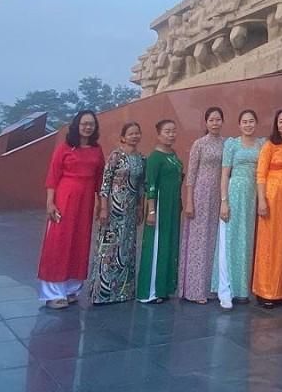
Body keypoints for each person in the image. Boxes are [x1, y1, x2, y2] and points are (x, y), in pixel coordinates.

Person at [37, 111, 105, 308]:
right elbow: (53, 176)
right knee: (59, 242)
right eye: (84, 123)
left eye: (91, 124)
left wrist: (102, 203)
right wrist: (50, 203)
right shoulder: (64, 148)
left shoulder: (96, 149)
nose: (87, 127)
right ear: (76, 125)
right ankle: (52, 293)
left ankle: (71, 289)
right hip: (65, 198)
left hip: (86, 201)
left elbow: (100, 178)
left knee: (80, 242)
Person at [90, 121, 145, 305]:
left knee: (127, 249)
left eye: (137, 133)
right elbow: (105, 183)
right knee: (108, 248)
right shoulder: (116, 156)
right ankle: (102, 293)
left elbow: (141, 187)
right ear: (123, 137)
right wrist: (103, 207)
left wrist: (140, 207)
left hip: (130, 211)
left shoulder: (141, 159)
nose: (134, 136)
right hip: (114, 211)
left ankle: (123, 292)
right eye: (131, 133)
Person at [177, 107, 226, 304]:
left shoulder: (226, 144)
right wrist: (189, 201)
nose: (215, 123)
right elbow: (191, 174)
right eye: (211, 120)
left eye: (218, 119)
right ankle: (194, 290)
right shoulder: (199, 144)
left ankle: (210, 288)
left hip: (218, 196)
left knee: (213, 241)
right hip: (200, 195)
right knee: (198, 241)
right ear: (206, 122)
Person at [253, 108, 282, 306]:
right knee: (271, 243)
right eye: (281, 121)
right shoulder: (269, 145)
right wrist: (262, 200)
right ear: (276, 124)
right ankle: (267, 291)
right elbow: (260, 174)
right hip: (273, 199)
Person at [216, 109, 262, 308]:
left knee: (246, 241)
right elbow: (225, 174)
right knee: (230, 239)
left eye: (251, 121)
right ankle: (227, 289)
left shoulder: (262, 144)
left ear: (256, 123)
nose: (248, 125)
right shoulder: (232, 144)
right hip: (234, 193)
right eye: (244, 122)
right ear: (239, 124)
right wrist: (224, 201)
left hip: (253, 196)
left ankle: (243, 289)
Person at [138, 118, 183, 304]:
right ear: (158, 134)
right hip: (160, 206)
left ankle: (163, 288)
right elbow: (150, 185)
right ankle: (150, 291)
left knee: (169, 245)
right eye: (167, 131)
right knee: (157, 245)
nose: (171, 135)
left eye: (173, 131)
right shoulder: (155, 158)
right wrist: (151, 211)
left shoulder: (173, 154)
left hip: (173, 206)